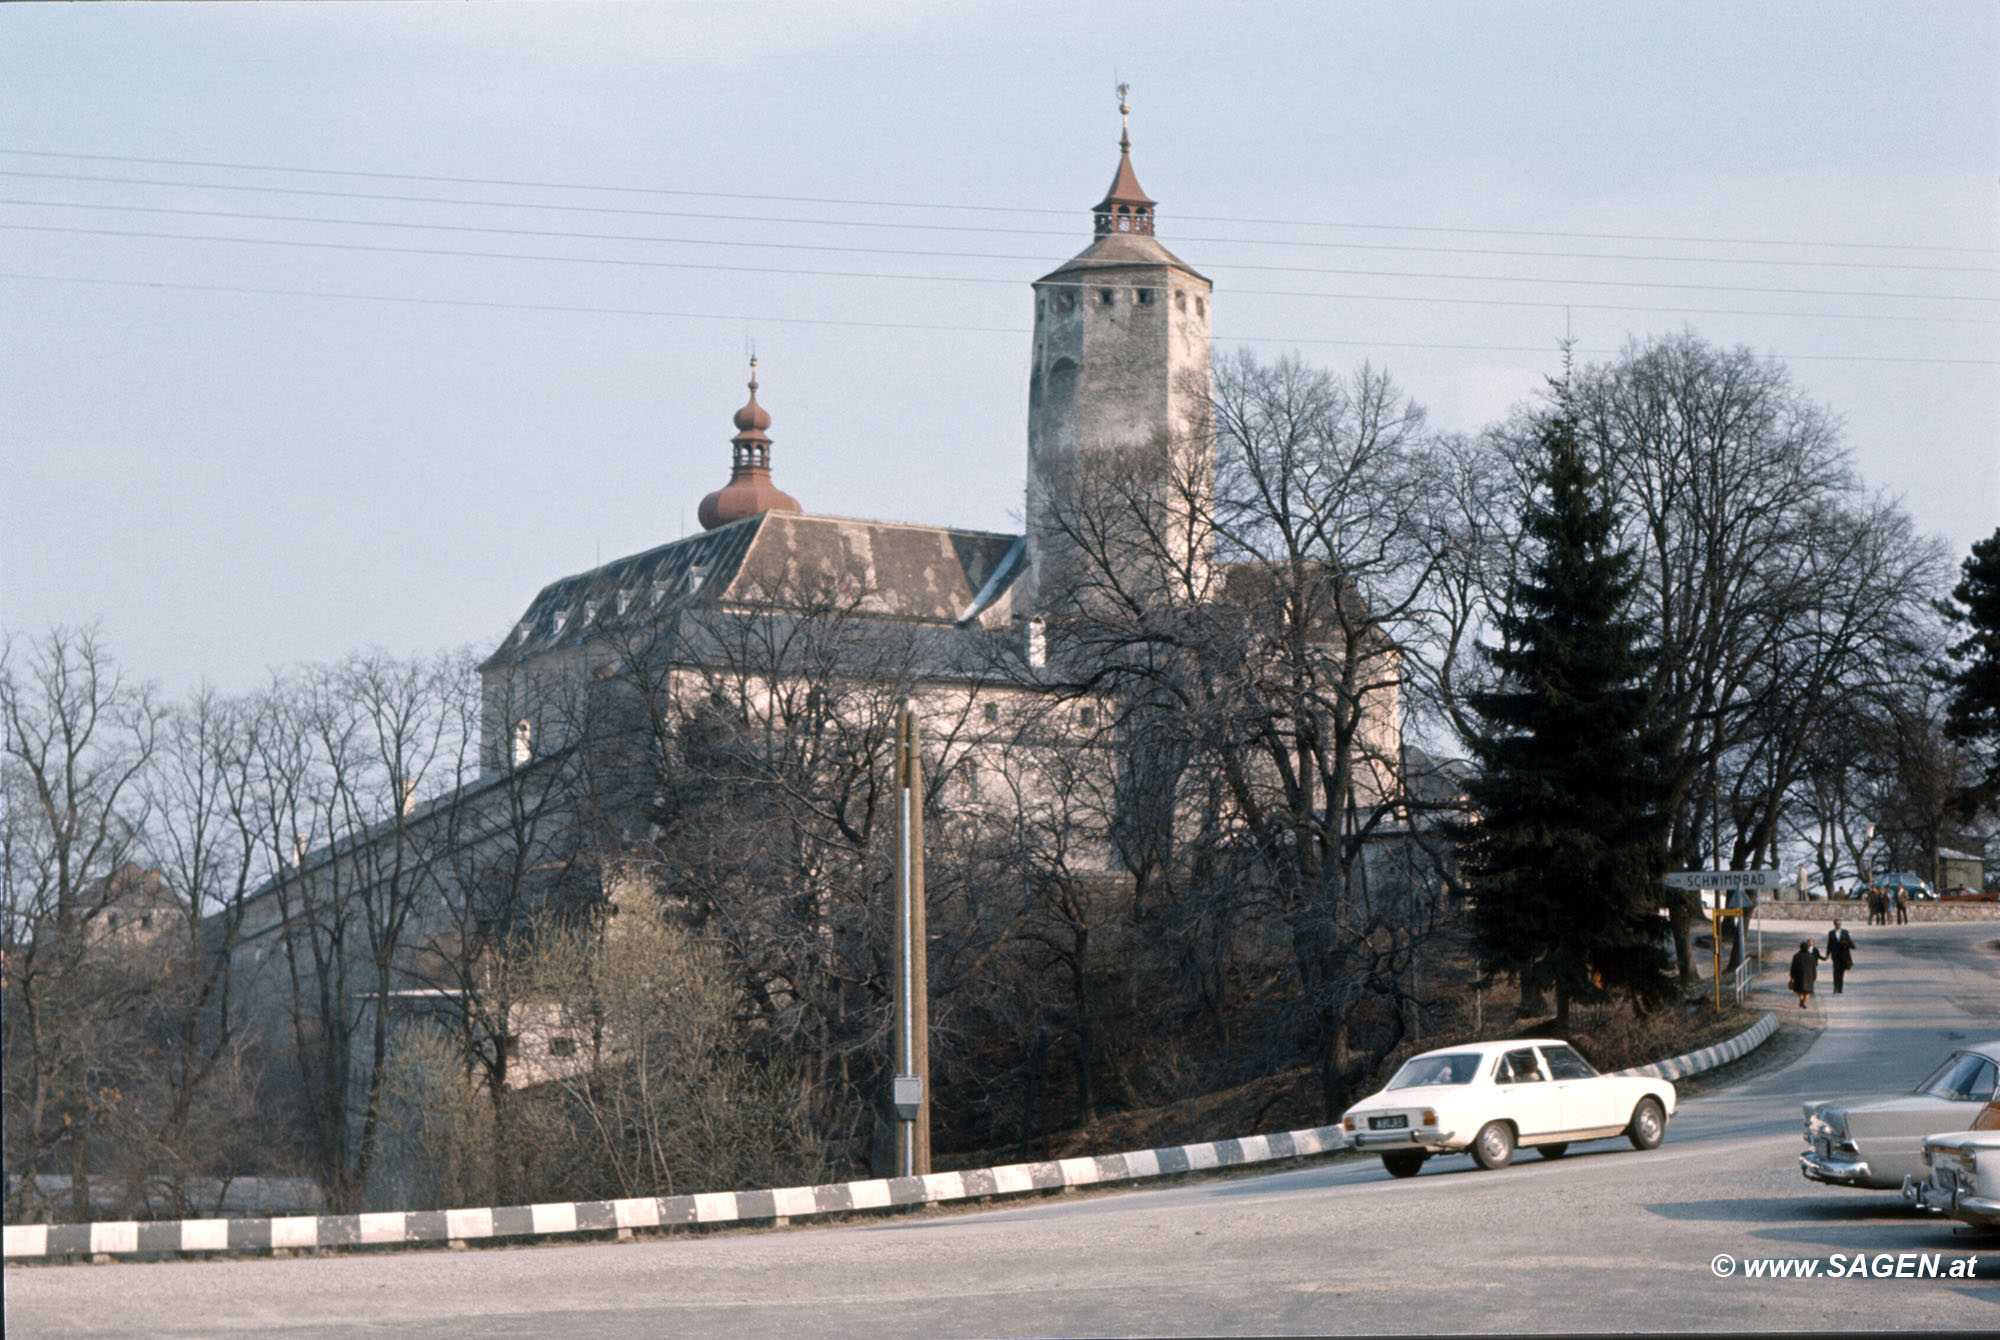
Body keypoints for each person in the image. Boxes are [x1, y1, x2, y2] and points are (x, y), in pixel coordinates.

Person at [1788, 938, 1822, 1008]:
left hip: (1798, 976)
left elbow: (1793, 967)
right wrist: (1814, 976)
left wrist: (1791, 976)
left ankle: (1801, 999)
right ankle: (1804, 1002)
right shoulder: (1811, 957)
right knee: (1808, 991)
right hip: (1809, 976)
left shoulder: (1796, 956)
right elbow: (1814, 967)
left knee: (1799, 989)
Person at [1826, 918, 1856, 994]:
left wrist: (1848, 944)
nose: (1838, 925)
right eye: (1837, 924)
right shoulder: (1831, 933)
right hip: (1835, 955)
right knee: (1835, 972)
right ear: (1834, 924)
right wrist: (1827, 954)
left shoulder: (1845, 932)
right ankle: (1835, 988)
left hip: (1843, 955)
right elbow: (1829, 944)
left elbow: (1850, 942)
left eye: (1840, 924)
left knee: (1841, 973)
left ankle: (1840, 989)